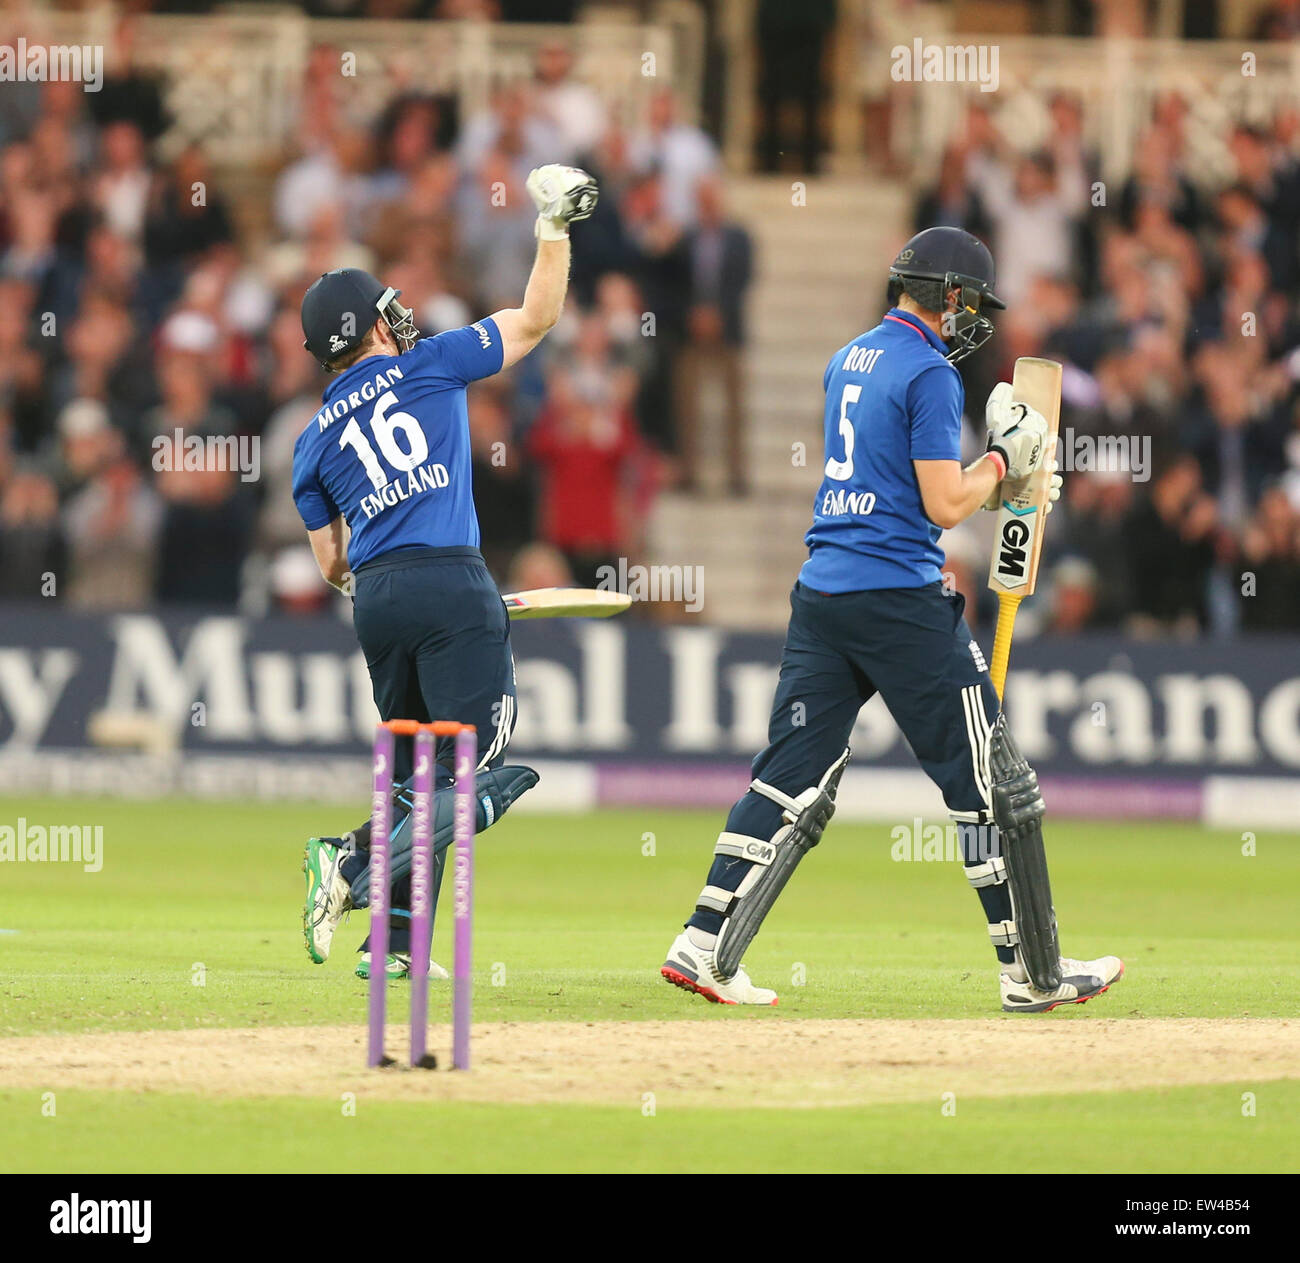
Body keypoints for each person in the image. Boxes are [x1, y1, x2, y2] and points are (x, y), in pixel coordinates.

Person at [660, 227, 1124, 1014]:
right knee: (995, 786)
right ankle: (1035, 974)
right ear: (948, 294)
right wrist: (1004, 467)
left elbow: (894, 480)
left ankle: (705, 940)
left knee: (790, 778)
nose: (973, 316)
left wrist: (997, 481)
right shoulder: (930, 373)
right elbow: (943, 501)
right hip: (899, 599)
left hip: (824, 592)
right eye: (971, 300)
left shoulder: (850, 357)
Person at [297, 163, 598, 979]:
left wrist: (385, 579)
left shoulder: (312, 437)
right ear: (373, 327)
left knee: (414, 783)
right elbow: (536, 317)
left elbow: (332, 563)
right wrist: (553, 225)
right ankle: (349, 861)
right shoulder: (428, 364)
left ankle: (393, 948)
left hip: (379, 600)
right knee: (478, 766)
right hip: (451, 580)